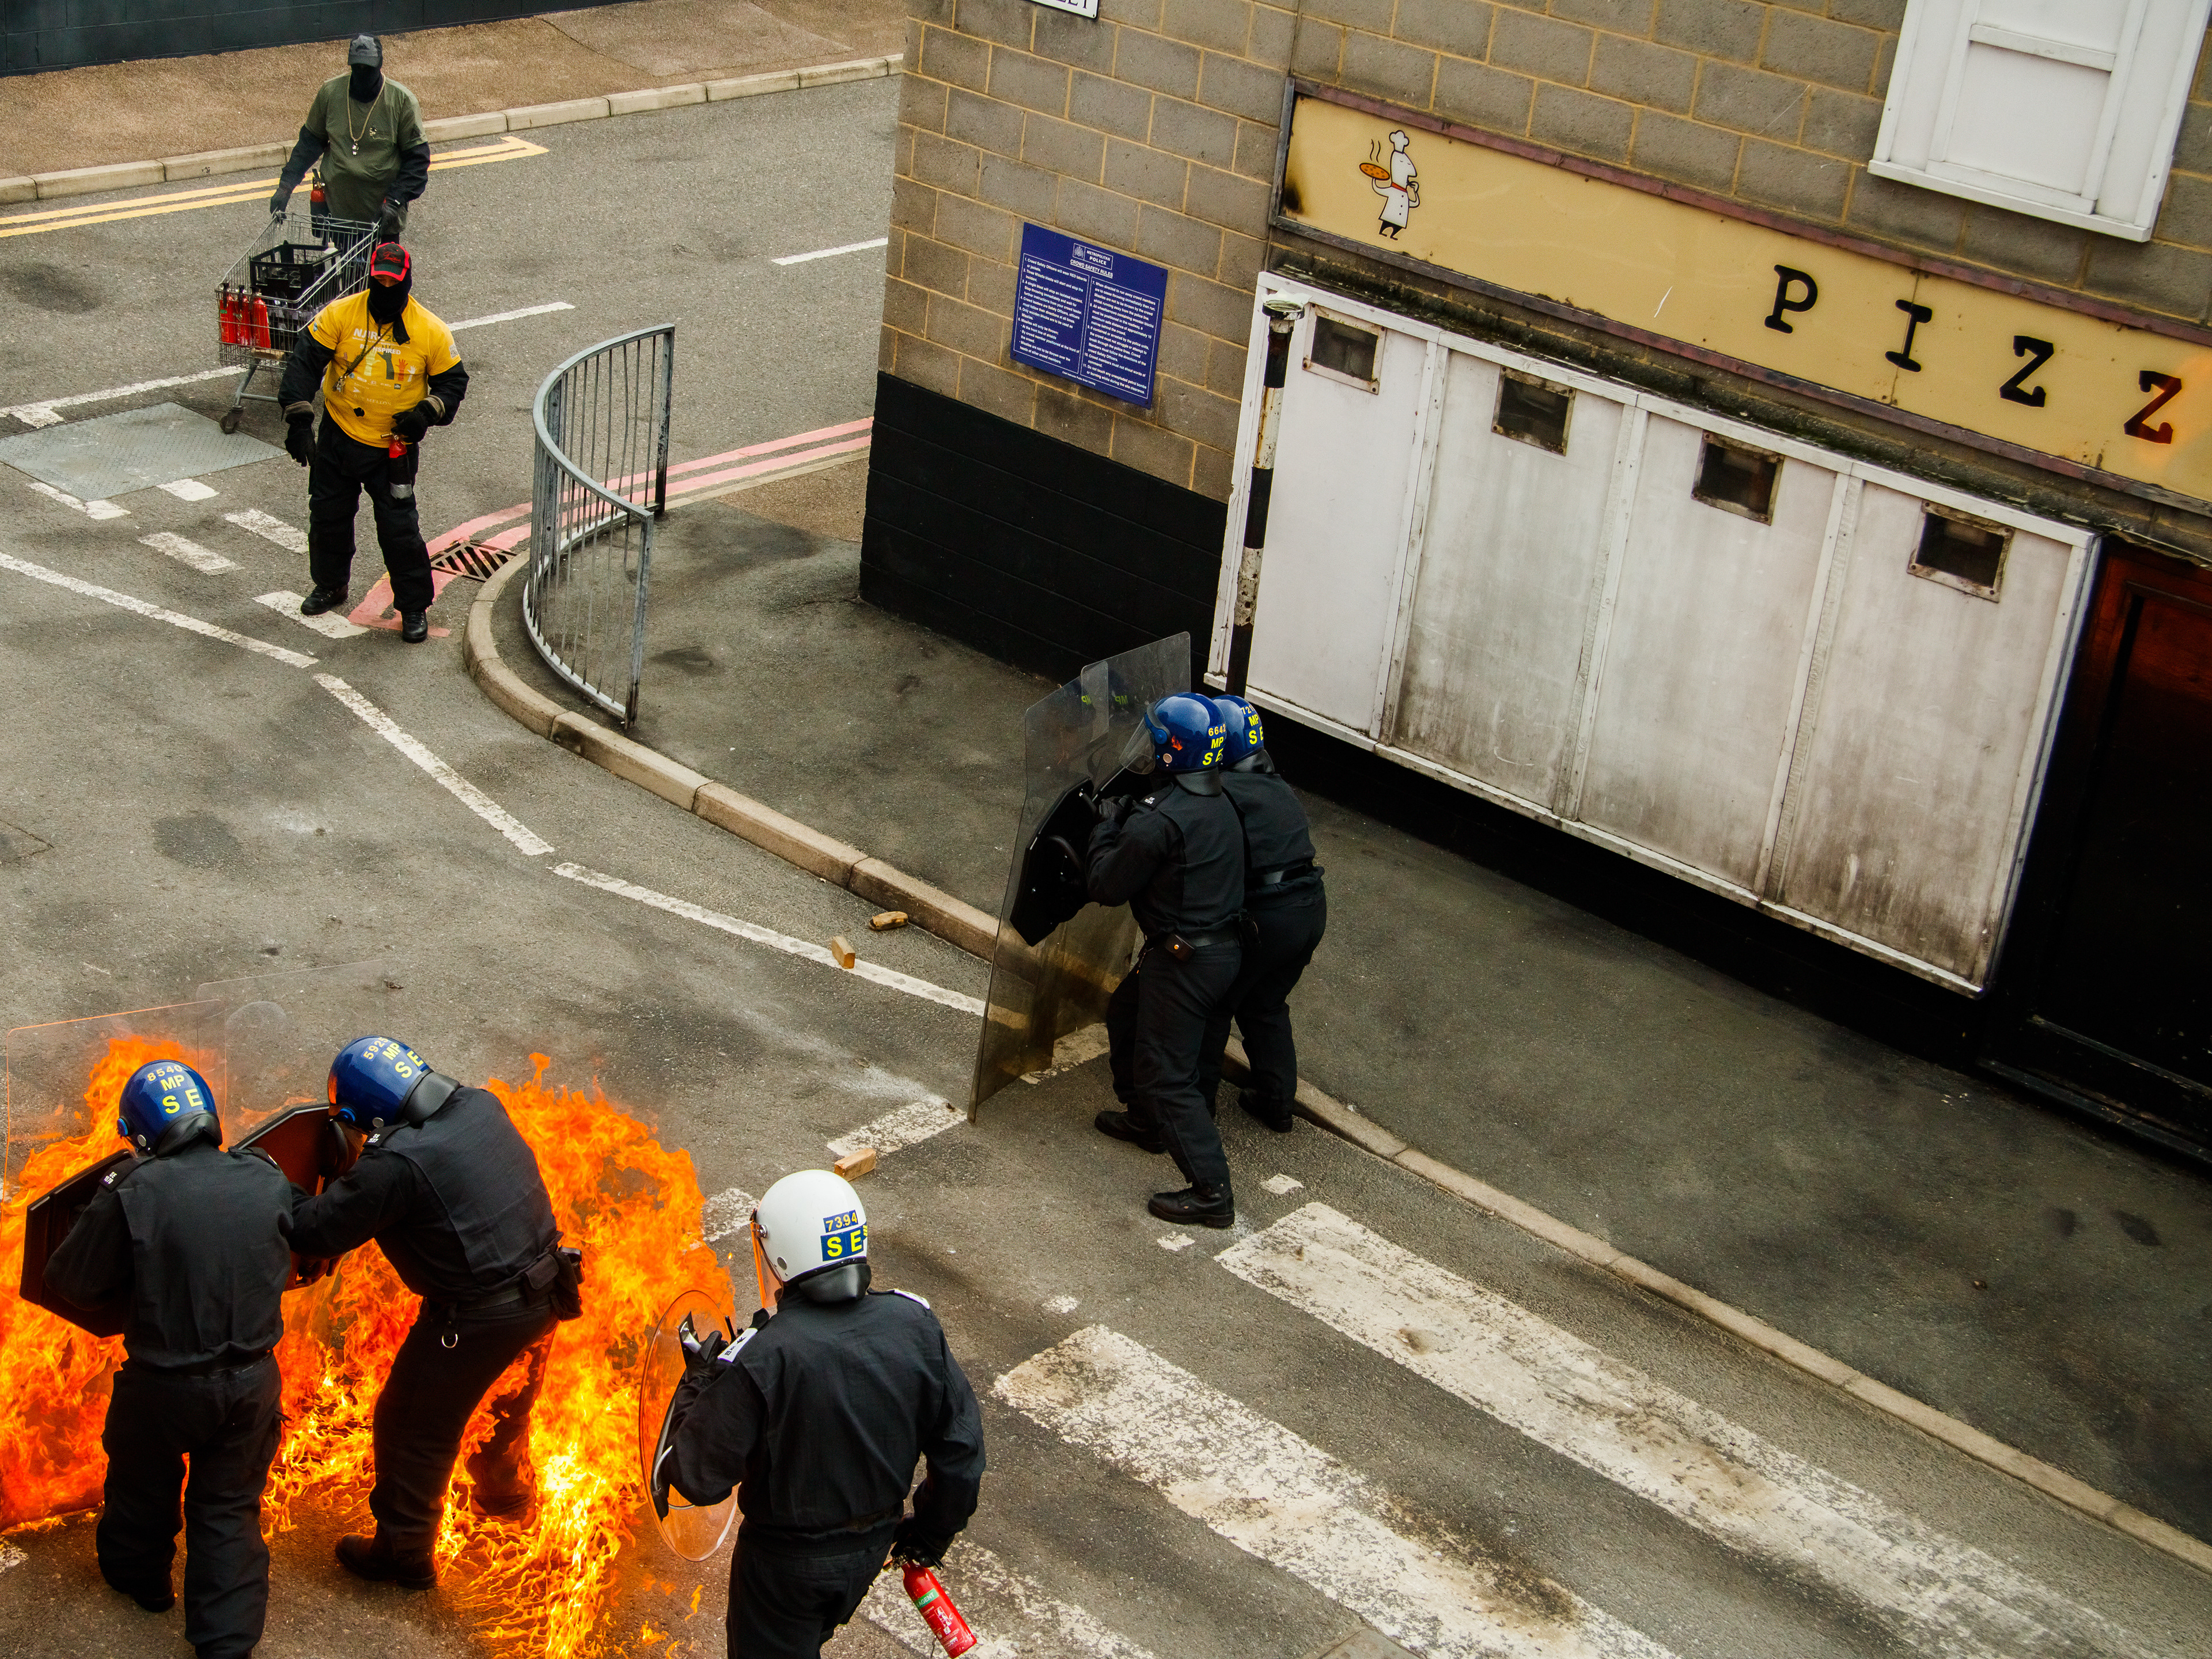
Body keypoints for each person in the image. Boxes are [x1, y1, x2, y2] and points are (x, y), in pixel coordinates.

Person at [664, 1169, 984, 1659]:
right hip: (869, 1550)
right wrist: (929, 1534)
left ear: (784, 1252)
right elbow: (961, 1453)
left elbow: (694, 1477)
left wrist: (699, 1385)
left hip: (783, 1570)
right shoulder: (915, 1324)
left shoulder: (766, 1357)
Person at [287, 1037, 571, 1588]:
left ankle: (403, 1552)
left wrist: (277, 1187)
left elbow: (315, 1230)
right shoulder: (480, 1104)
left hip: (477, 1316)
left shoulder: (395, 1165)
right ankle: (503, 1490)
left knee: (412, 1424)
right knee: (510, 1400)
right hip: (549, 1286)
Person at [45, 1060, 295, 1659]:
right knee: (230, 1508)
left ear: (141, 1135)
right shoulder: (265, 1176)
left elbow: (70, 1281)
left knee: (142, 1482)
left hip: (164, 1384)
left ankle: (142, 1581)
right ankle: (226, 1643)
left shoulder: (135, 1190)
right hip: (255, 1383)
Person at [1088, 693, 1246, 1227]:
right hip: (1223, 953)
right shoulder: (1220, 800)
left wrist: (1106, 825)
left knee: (1167, 1076)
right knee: (1126, 1014)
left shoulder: (1159, 821)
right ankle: (1147, 1122)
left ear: (1172, 749)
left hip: (1183, 964)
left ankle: (1212, 1193)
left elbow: (1107, 886)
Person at [278, 242, 467, 643]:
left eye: (391, 281)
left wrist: (424, 415)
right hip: (338, 435)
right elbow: (305, 364)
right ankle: (331, 586)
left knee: (399, 531)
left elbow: (453, 384)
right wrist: (298, 420)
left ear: (405, 282)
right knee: (328, 517)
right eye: (377, 279)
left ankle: (413, 607)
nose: (384, 286)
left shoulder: (430, 331)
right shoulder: (340, 314)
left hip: (392, 449)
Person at [1196, 696, 1327, 1132]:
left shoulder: (1226, 793)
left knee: (1215, 1003)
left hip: (1268, 917)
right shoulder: (1274, 784)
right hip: (1309, 908)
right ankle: (1275, 1104)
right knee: (1265, 1004)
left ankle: (1198, 1110)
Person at [268, 35, 428, 241]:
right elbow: (309, 143)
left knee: (386, 272)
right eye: (357, 67)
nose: (362, 73)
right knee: (346, 270)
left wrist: (395, 201)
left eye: (368, 68)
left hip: (382, 213)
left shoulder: (402, 101)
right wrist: (286, 186)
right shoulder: (330, 92)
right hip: (339, 212)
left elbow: (418, 161)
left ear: (379, 65)